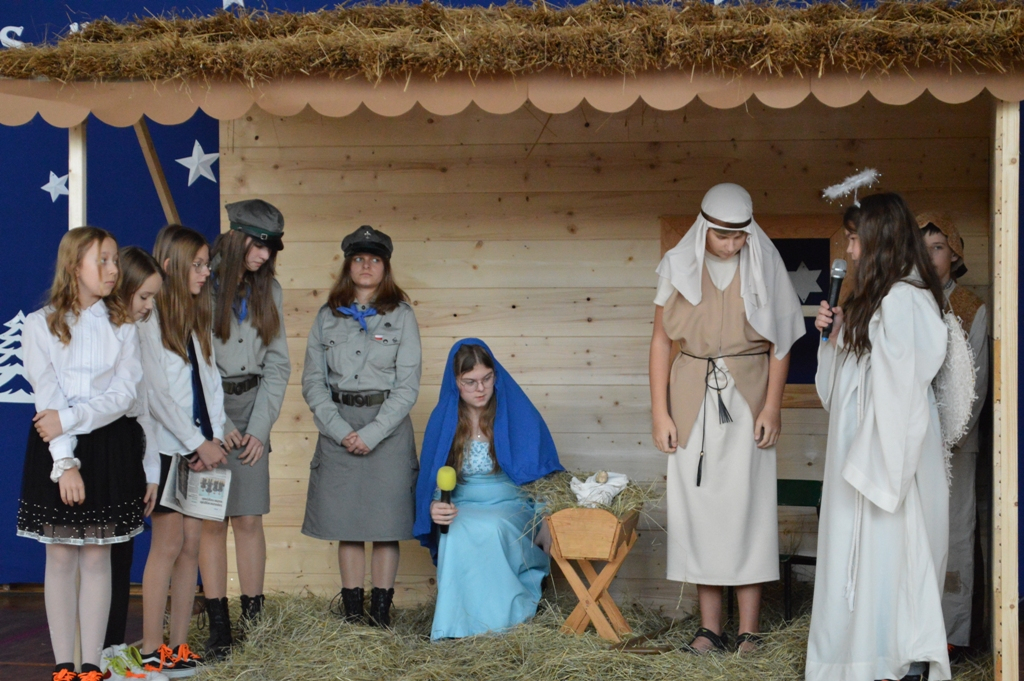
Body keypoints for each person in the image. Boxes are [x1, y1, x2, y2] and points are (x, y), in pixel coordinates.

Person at [649, 183, 805, 653]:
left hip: (748, 400)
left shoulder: (765, 263)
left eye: (740, 235)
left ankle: (748, 631)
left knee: (747, 509)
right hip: (691, 399)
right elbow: (660, 341)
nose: (732, 244)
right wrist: (660, 412)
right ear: (704, 227)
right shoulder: (677, 264)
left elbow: (781, 342)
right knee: (700, 511)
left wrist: (773, 406)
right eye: (722, 235)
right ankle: (709, 629)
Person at [808, 193, 951, 681]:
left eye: (854, 239)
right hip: (857, 452)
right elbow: (838, 392)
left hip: (887, 461)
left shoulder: (905, 300)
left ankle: (893, 660)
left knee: (890, 559)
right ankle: (858, 658)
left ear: (879, 239)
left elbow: (902, 389)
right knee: (857, 563)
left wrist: (875, 468)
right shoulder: (873, 300)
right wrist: (834, 338)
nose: (848, 250)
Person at [17, 228, 148, 681]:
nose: (114, 270)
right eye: (103, 261)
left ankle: (92, 664)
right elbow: (47, 397)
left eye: (115, 261)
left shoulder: (124, 326)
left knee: (97, 556)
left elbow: (123, 397)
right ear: (75, 267)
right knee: (59, 556)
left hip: (107, 443)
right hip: (56, 446)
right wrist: (65, 461)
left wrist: (70, 420)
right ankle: (63, 667)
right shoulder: (40, 324)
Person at [301, 226, 422, 628]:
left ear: (385, 267)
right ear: (348, 266)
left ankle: (381, 615)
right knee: (347, 525)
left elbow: (407, 386)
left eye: (374, 259)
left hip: (386, 428)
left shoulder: (402, 316)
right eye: (358, 259)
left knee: (386, 526)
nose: (366, 266)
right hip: (338, 425)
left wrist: (371, 433)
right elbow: (313, 382)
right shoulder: (327, 316)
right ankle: (353, 616)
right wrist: (339, 430)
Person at [414, 340, 563, 640]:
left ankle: (499, 625)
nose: (480, 388)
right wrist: (434, 506)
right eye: (469, 382)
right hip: (463, 503)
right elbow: (432, 477)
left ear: (497, 376)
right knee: (455, 531)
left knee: (492, 527)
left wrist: (546, 516)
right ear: (455, 382)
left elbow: (542, 475)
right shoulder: (444, 421)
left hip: (513, 504)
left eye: (487, 378)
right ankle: (457, 627)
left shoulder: (518, 414)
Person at [199, 200, 290, 658]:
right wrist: (218, 424)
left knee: (249, 519)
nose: (264, 255)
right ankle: (220, 626)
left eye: (271, 248)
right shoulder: (201, 285)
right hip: (209, 413)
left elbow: (278, 365)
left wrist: (259, 429)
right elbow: (191, 363)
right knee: (213, 522)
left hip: (254, 409)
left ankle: (254, 621)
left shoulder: (269, 289)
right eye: (258, 245)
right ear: (236, 238)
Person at [137, 226, 227, 677]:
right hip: (169, 448)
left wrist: (217, 437)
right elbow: (157, 396)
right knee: (168, 544)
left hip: (203, 449)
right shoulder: (149, 320)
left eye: (207, 265)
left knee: (192, 545)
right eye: (198, 265)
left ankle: (179, 645)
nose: (205, 272)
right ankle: (151, 647)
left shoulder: (197, 315)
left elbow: (211, 382)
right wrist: (195, 443)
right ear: (171, 266)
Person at [917, 211, 989, 658]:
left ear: (955, 254)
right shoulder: (904, 301)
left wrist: (949, 437)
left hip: (954, 444)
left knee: (955, 533)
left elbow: (975, 385)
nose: (930, 257)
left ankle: (952, 632)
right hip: (911, 442)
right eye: (922, 249)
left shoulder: (970, 307)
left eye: (938, 247)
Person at [102, 247, 163, 651]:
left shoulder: (142, 329)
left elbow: (145, 407)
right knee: (95, 558)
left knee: (122, 555)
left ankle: (111, 650)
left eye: (153, 298)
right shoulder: (97, 331)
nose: (149, 306)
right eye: (143, 297)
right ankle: (89, 654)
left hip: (129, 449)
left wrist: (151, 470)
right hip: (97, 447)